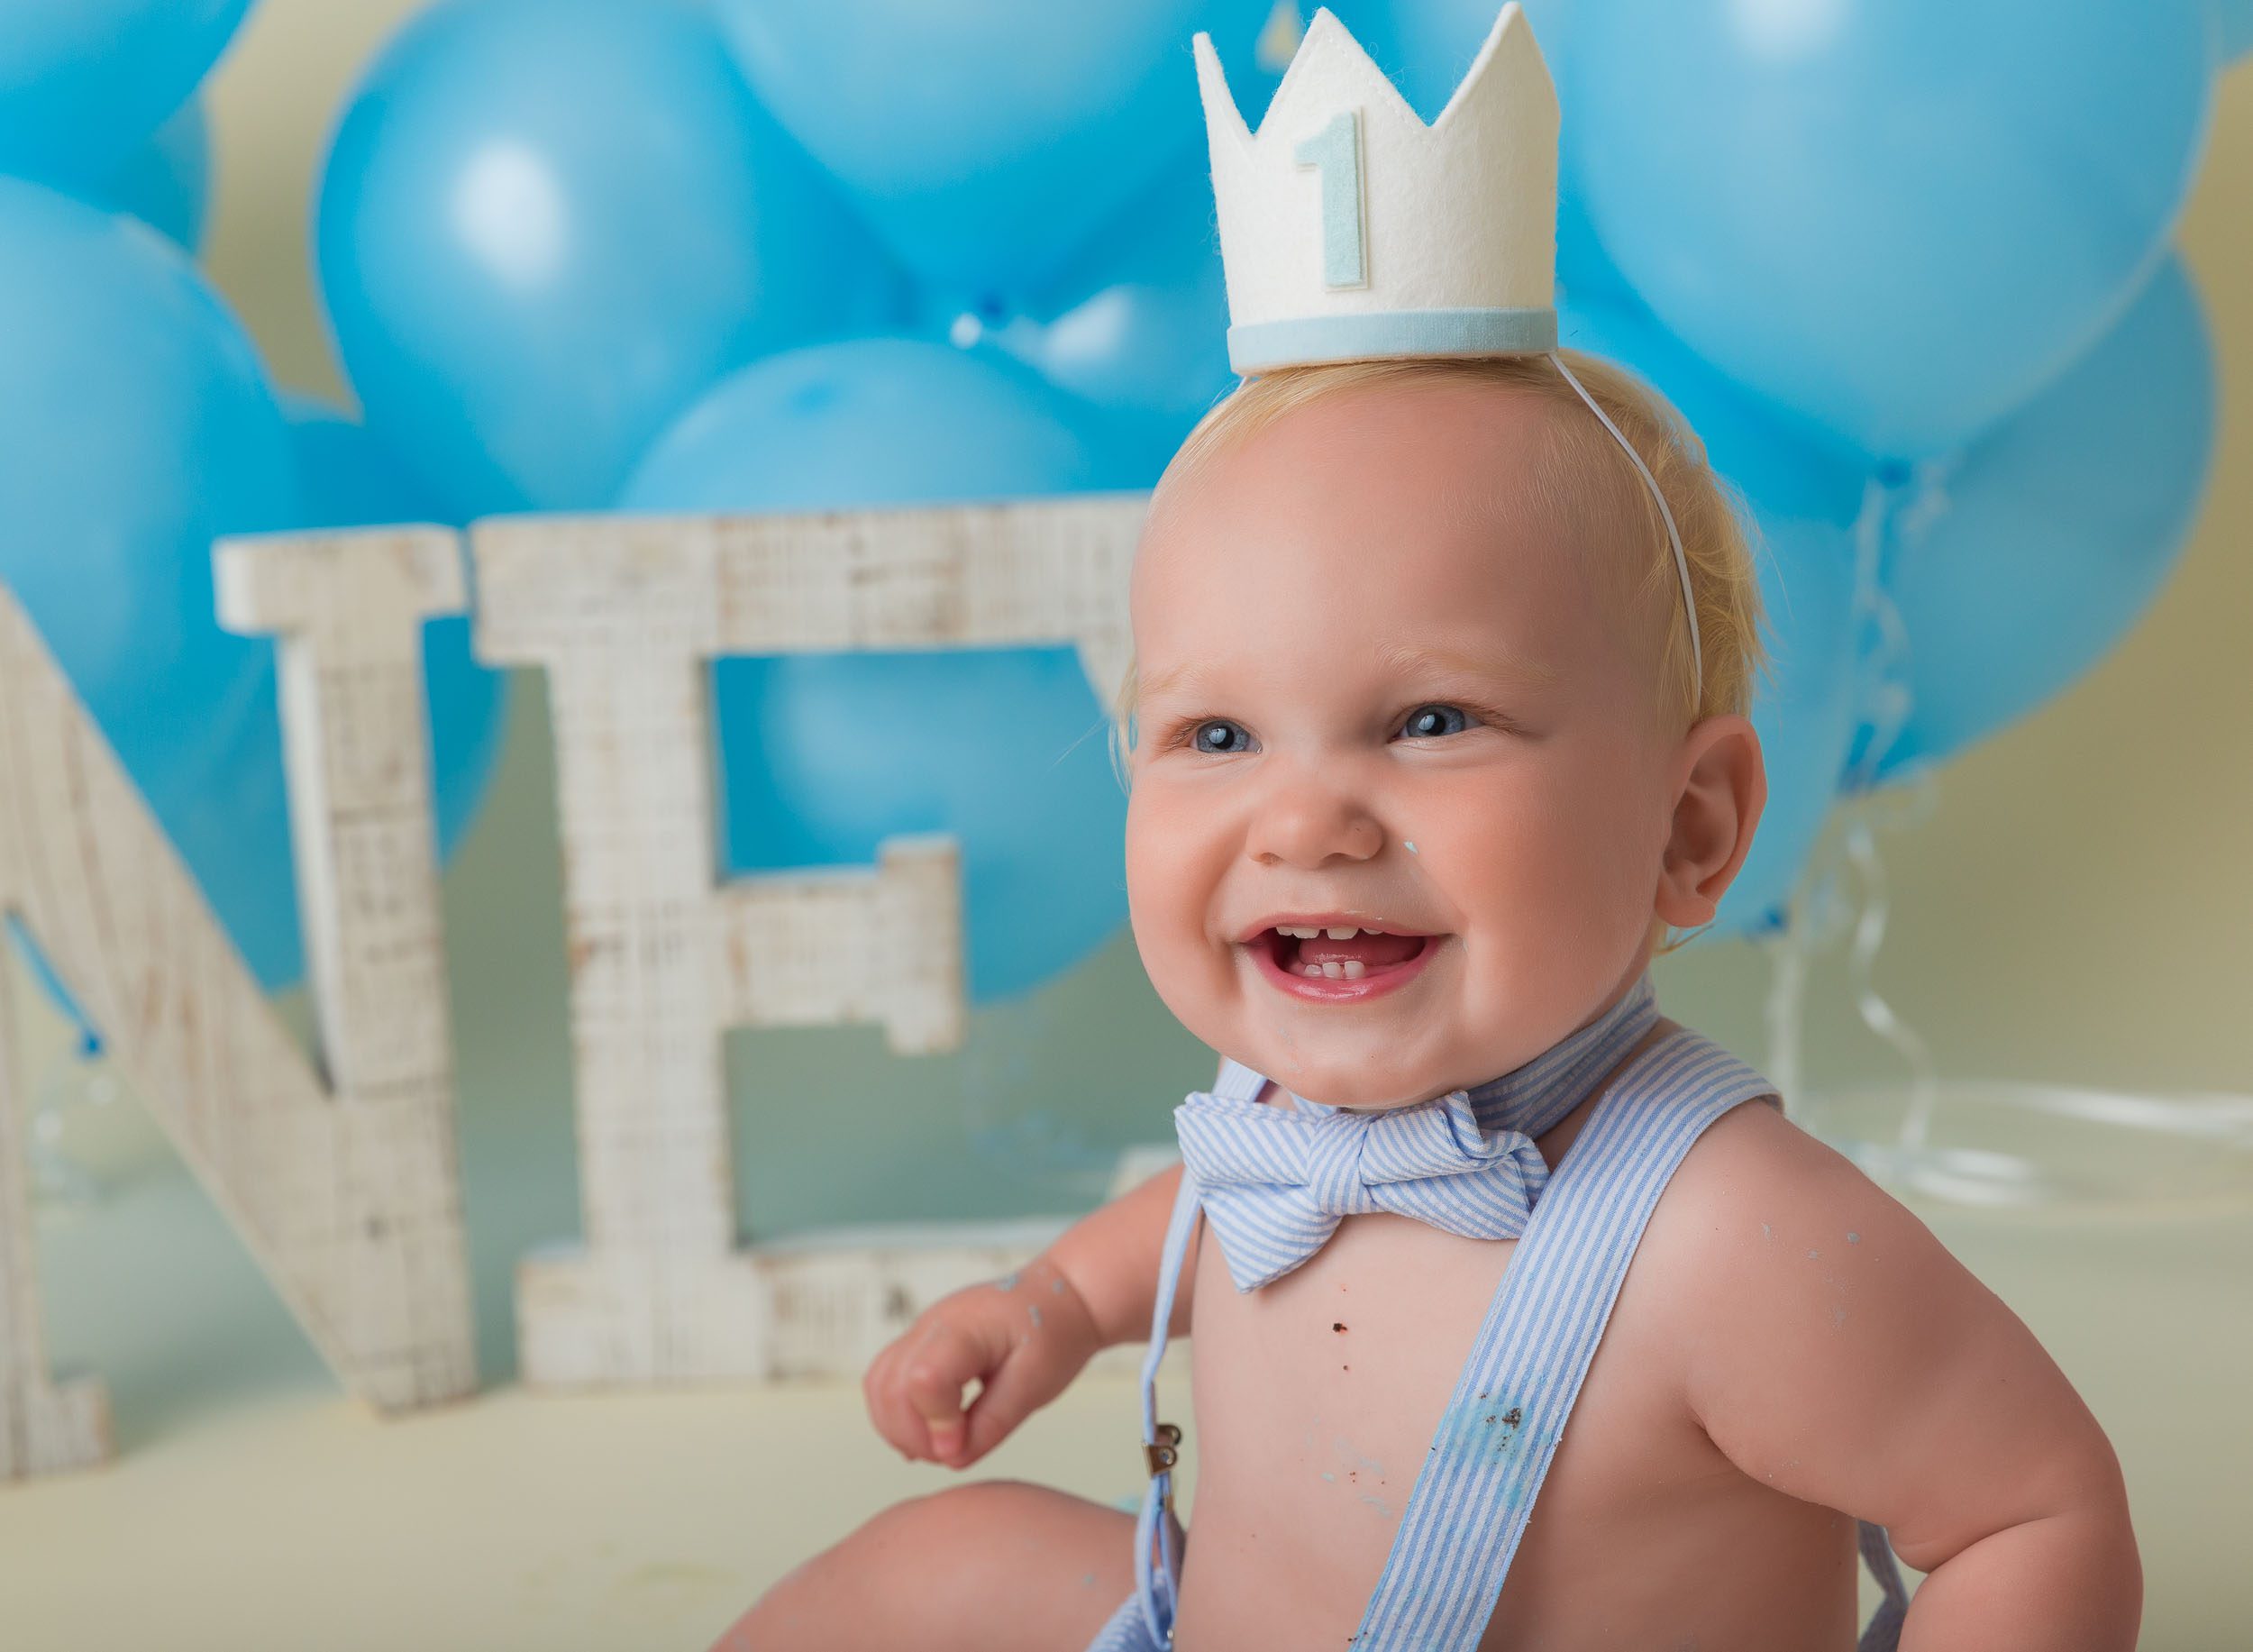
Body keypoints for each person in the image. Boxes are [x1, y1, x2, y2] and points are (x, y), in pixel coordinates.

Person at [712, 9, 2139, 1648]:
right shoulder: (1278, 1104)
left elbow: (2037, 1508)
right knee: (933, 1570)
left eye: (1431, 721)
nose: (1304, 812)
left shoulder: (1732, 1241)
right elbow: (1207, 1201)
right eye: (1216, 733)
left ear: (1692, 826)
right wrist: (1057, 1303)